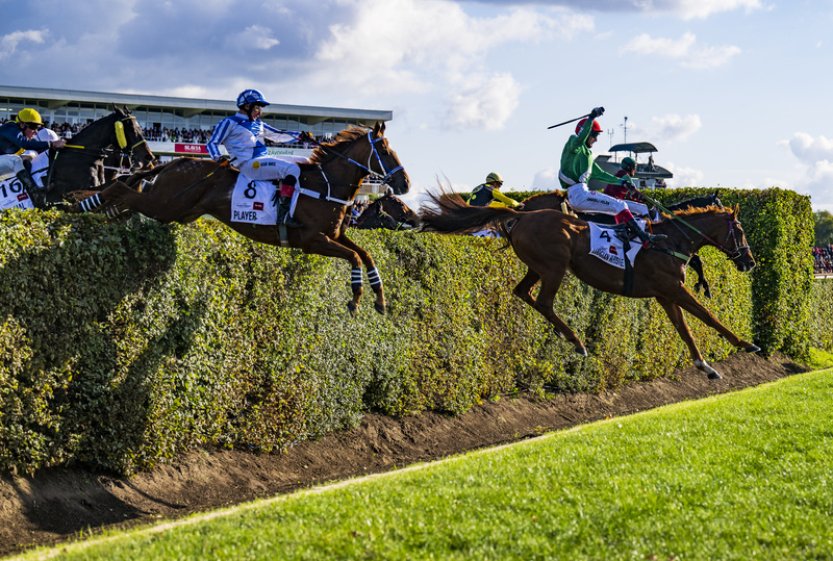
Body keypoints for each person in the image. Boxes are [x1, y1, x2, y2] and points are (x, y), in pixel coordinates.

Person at [206, 89, 312, 228]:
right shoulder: (229, 122)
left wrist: (299, 135)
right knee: (291, 169)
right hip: (249, 165)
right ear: (247, 106)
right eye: (257, 107)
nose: (259, 111)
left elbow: (277, 135)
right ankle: (283, 216)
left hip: (263, 159)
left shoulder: (259, 124)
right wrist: (219, 158)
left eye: (260, 108)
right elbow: (212, 142)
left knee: (304, 161)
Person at [558, 107, 664, 245]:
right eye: (595, 135)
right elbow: (579, 139)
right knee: (620, 205)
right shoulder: (573, 144)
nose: (596, 140)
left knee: (634, 207)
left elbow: (602, 175)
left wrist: (622, 182)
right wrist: (591, 118)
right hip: (578, 194)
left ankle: (634, 231)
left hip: (582, 194)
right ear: (586, 133)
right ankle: (642, 238)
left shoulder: (588, 156)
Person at [0, 108, 66, 198]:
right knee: (16, 160)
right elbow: (25, 144)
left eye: (38, 128)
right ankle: (32, 191)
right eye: (33, 127)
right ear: (22, 125)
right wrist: (51, 144)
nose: (35, 131)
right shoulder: (11, 127)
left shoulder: (17, 134)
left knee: (30, 156)